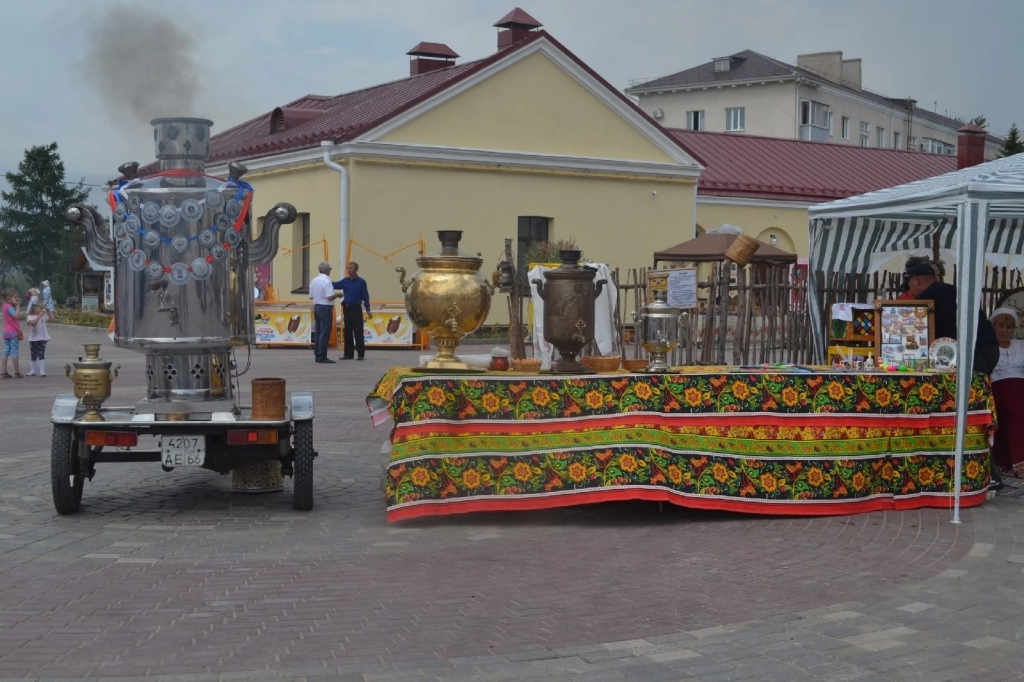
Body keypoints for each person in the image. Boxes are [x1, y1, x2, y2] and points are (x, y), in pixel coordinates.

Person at [989, 307, 1024, 481]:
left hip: (1020, 387)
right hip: (999, 388)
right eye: (1000, 326)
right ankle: (1017, 461)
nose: (1004, 330)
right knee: (1015, 410)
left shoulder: (1021, 345)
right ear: (994, 326)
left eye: (1009, 327)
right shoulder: (989, 347)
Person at [332, 261, 371, 360]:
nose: (349, 269)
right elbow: (335, 285)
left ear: (356, 270)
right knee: (347, 332)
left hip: (356, 308)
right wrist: (324, 280)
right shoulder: (345, 281)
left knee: (358, 332)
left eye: (351, 268)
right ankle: (348, 354)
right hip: (347, 308)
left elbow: (365, 296)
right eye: (348, 268)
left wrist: (368, 309)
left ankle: (360, 354)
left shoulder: (361, 282)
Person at [309, 262, 342, 364]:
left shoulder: (314, 281)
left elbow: (311, 296)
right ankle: (322, 355)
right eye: (330, 270)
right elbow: (329, 297)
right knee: (325, 331)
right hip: (325, 307)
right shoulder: (327, 281)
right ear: (327, 270)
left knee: (318, 331)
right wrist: (338, 295)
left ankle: (317, 354)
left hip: (317, 306)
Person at [25, 292, 53, 377]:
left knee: (41, 353)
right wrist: (39, 316)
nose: (39, 309)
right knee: (33, 354)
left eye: (40, 308)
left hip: (43, 338)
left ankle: (42, 371)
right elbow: (33, 323)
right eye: (37, 308)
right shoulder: (30, 317)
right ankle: (33, 370)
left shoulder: (43, 316)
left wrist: (48, 311)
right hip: (33, 338)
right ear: (33, 308)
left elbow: (52, 319)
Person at [2, 289, 23, 379]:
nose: (15, 299)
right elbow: (16, 315)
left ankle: (3, 372)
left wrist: (16, 303)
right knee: (14, 352)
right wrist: (18, 306)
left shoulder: (4, 306)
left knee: (5, 351)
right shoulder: (10, 307)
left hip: (6, 332)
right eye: (14, 297)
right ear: (8, 298)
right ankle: (16, 372)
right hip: (13, 332)